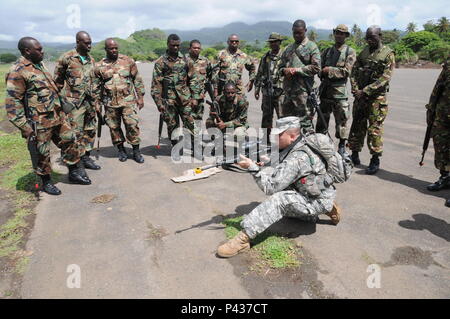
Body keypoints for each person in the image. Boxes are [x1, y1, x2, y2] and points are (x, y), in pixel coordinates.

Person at [217, 116, 341, 258]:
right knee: (284, 203)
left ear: (293, 136)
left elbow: (270, 187)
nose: (274, 138)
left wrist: (252, 168)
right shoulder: (302, 143)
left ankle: (242, 240)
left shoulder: (297, 158)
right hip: (316, 190)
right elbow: (285, 169)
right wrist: (267, 164)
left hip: (315, 198)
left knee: (279, 200)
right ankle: (328, 207)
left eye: (279, 135)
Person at [5, 37, 90, 195]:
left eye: (41, 48)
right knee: (42, 152)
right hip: (39, 121)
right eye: (38, 49)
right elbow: (12, 103)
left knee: (70, 140)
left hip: (57, 116)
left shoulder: (39, 64)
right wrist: (24, 127)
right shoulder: (18, 71)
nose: (42, 51)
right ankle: (46, 182)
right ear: (27, 51)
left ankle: (73, 172)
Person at [348, 26, 395, 175]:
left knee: (374, 129)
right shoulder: (364, 52)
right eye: (367, 38)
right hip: (361, 97)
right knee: (357, 126)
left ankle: (375, 160)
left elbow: (385, 78)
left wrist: (366, 90)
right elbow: (354, 71)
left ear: (380, 36)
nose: (369, 40)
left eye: (372, 37)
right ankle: (354, 155)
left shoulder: (388, 54)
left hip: (376, 98)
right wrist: (355, 89)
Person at [54, 31, 101, 170]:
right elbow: (57, 83)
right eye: (86, 43)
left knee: (90, 131)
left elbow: (95, 81)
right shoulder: (67, 58)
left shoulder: (91, 59)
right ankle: (76, 161)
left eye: (90, 42)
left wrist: (96, 101)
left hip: (90, 103)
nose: (89, 45)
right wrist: (60, 104)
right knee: (75, 134)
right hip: (74, 104)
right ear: (78, 42)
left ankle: (86, 157)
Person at [93, 38, 145, 163]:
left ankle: (136, 151)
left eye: (116, 48)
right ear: (106, 49)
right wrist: (97, 103)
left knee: (132, 125)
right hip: (110, 103)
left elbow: (136, 79)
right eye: (111, 48)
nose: (114, 50)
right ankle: (121, 150)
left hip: (128, 101)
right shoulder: (99, 66)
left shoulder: (128, 61)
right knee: (114, 128)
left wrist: (140, 97)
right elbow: (96, 86)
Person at [316, 24, 356, 155]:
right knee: (322, 120)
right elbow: (319, 69)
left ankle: (342, 145)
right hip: (325, 91)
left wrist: (329, 70)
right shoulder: (327, 51)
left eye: (342, 33)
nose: (339, 35)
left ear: (346, 36)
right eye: (337, 33)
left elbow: (347, 71)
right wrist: (321, 72)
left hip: (339, 92)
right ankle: (322, 144)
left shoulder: (349, 51)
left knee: (342, 120)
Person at [277, 20, 321, 132]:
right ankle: (290, 148)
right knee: (287, 122)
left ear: (305, 31)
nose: (297, 35)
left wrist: (297, 70)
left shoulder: (312, 47)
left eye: (300, 33)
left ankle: (307, 147)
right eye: (295, 33)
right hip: (288, 92)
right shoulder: (288, 48)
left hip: (304, 92)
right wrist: (284, 70)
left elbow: (316, 67)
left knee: (305, 123)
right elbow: (280, 68)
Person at [151, 34, 195, 147]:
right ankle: (175, 146)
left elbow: (193, 80)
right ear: (168, 44)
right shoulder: (160, 62)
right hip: (169, 100)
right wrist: (159, 103)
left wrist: (195, 97)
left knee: (190, 123)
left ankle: (194, 147)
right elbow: (156, 85)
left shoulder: (186, 60)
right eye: (173, 45)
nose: (175, 48)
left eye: (177, 45)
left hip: (185, 99)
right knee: (172, 125)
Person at [424, 59, 449, 207]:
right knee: (441, 146)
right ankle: (444, 177)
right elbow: (438, 87)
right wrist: (431, 109)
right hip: (443, 114)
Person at [254, 32, 284, 140]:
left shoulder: (285, 56)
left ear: (279, 42)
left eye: (275, 42)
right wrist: (256, 89)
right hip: (267, 91)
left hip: (281, 92)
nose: (272, 44)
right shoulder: (266, 57)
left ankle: (282, 140)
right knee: (266, 117)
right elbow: (260, 73)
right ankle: (266, 140)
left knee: (282, 117)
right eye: (271, 42)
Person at [186, 39, 212, 129]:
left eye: (198, 48)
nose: (196, 49)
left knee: (198, 118)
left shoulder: (205, 61)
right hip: (187, 97)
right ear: (189, 48)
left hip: (200, 97)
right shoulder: (184, 61)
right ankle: (189, 139)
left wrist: (204, 91)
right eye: (194, 48)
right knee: (188, 119)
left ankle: (197, 139)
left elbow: (209, 76)